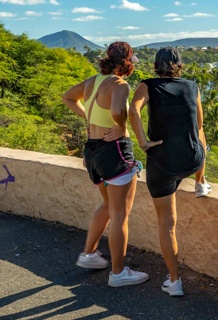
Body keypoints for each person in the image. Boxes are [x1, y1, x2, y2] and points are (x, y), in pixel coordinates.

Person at [62, 41, 149, 288]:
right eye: (132, 61)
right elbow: (119, 111)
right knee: (120, 214)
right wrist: (121, 126)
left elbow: (67, 97)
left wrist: (89, 117)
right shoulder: (120, 85)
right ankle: (118, 273)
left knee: (108, 205)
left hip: (92, 151)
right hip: (115, 151)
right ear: (127, 62)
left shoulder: (92, 81)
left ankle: (88, 254)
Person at [129, 47, 209, 296]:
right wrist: (200, 173)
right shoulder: (192, 86)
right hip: (192, 161)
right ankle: (202, 183)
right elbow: (199, 128)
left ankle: (174, 281)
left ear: (155, 65)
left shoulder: (147, 85)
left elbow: (133, 110)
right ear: (179, 65)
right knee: (199, 138)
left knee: (167, 224)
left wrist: (143, 143)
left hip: (163, 165)